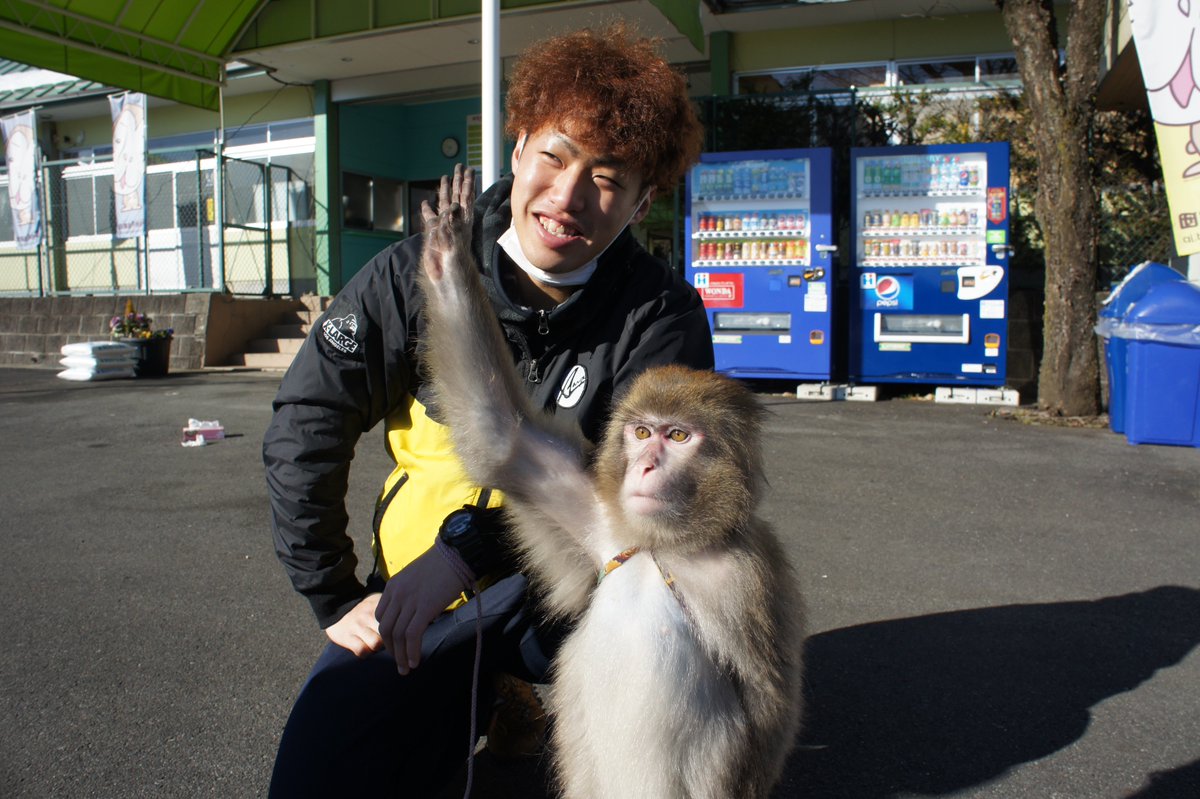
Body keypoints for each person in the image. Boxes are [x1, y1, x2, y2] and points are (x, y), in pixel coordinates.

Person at [263, 22, 712, 797]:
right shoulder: (416, 269)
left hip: (569, 593)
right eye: (555, 156)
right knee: (317, 772)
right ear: (519, 146)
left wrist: (467, 550)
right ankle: (487, 692)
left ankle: (555, 700)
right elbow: (308, 422)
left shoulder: (660, 316)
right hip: (418, 594)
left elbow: (650, 500)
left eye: (608, 178)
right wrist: (333, 593)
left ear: (643, 202)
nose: (568, 197)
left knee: (679, 626)